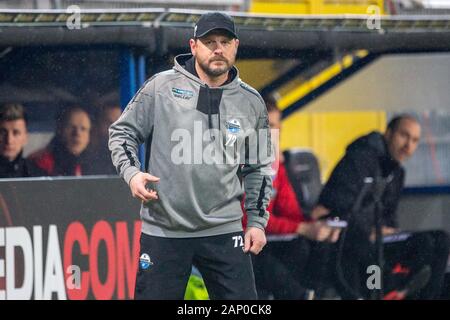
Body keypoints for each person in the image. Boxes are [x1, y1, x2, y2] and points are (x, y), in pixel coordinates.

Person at [109, 12, 273, 300]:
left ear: (236, 45)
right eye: (209, 42)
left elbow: (258, 167)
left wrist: (258, 223)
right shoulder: (159, 88)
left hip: (225, 230)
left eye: (224, 41)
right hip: (164, 230)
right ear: (193, 46)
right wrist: (132, 173)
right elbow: (122, 133)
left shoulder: (252, 102)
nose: (218, 49)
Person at [313, 115, 450, 299]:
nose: (408, 145)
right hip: (354, 237)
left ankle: (413, 290)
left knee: (439, 239)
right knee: (375, 252)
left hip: (379, 235)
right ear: (388, 133)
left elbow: (389, 215)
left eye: (415, 140)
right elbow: (335, 206)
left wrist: (389, 230)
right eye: (404, 135)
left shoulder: (397, 172)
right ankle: (389, 287)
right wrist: (370, 229)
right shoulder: (359, 159)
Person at [245, 97, 340, 300]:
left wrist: (317, 227)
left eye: (275, 125)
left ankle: (316, 294)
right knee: (273, 258)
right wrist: (300, 228)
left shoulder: (273, 164)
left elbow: (290, 210)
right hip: (236, 242)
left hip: (266, 238)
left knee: (314, 246)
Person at [28, 106, 92, 176]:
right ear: (60, 129)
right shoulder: (40, 162)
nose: (77, 134)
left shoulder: (92, 164)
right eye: (71, 127)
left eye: (83, 129)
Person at [0, 103, 43, 178]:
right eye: (2, 133)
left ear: (25, 137)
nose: (9, 140)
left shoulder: (37, 175)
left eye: (16, 133)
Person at [86, 104, 121, 175]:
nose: (115, 129)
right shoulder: (87, 159)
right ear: (97, 125)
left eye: (120, 123)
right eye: (109, 123)